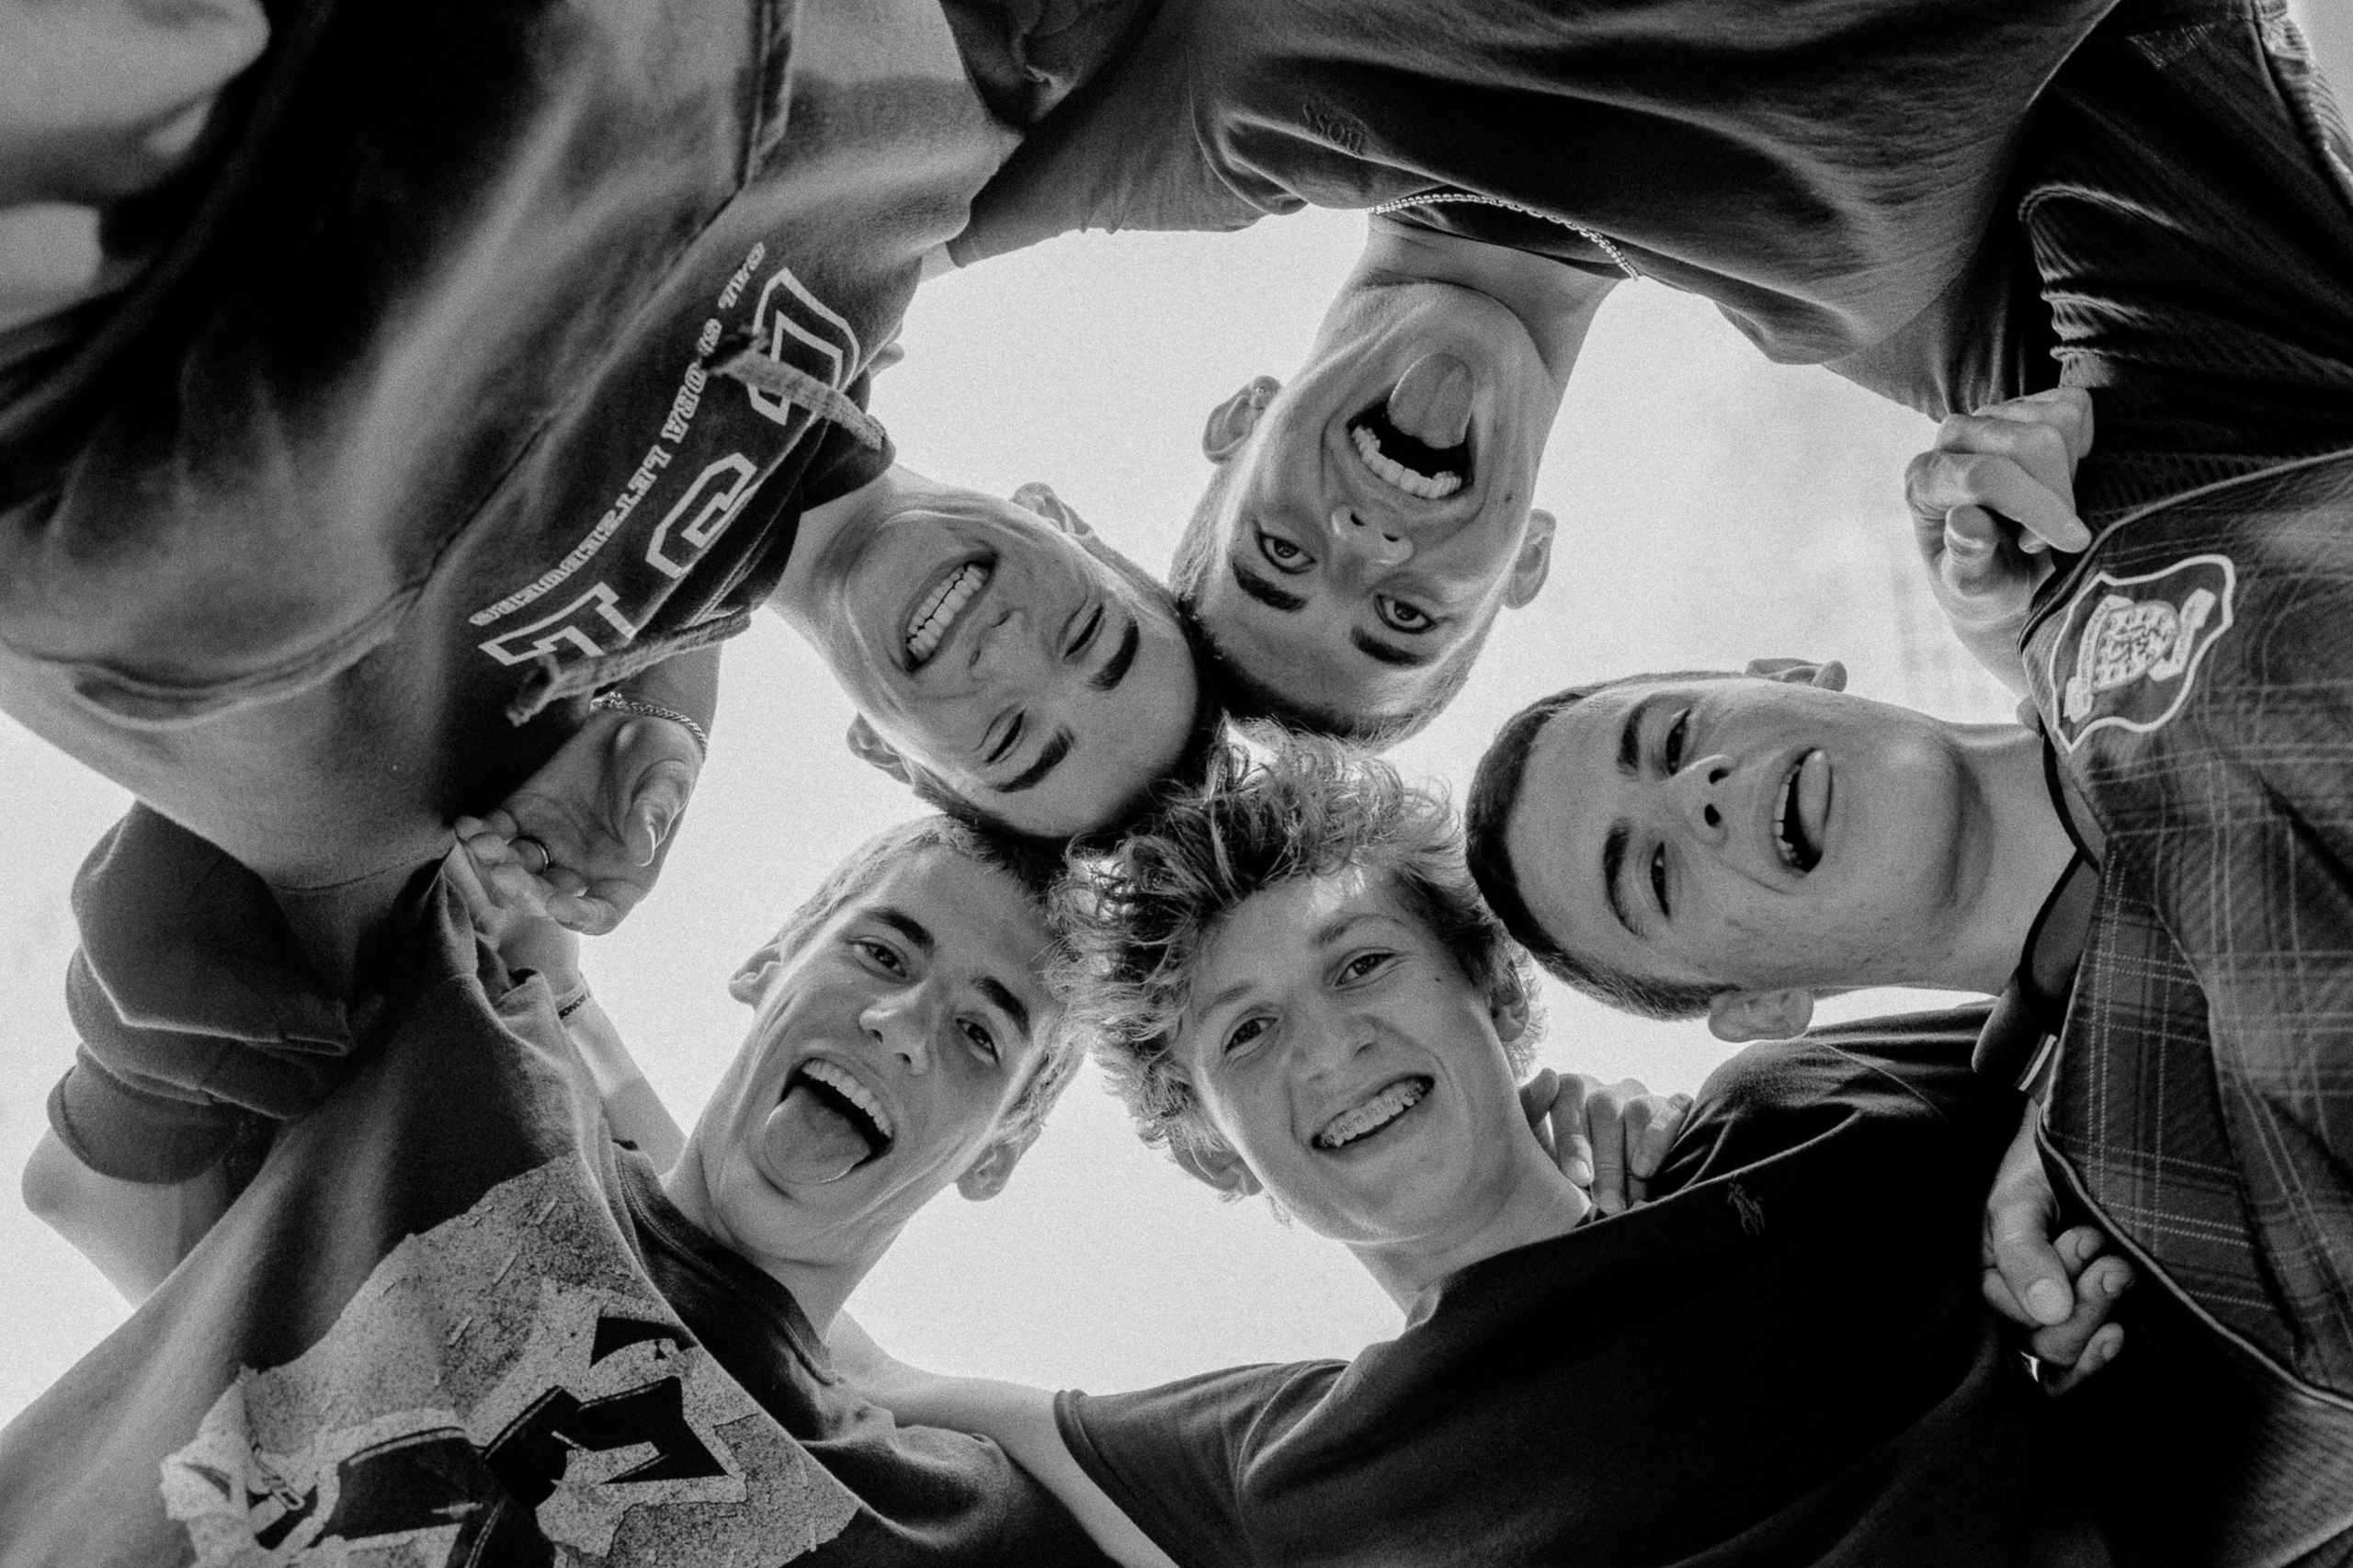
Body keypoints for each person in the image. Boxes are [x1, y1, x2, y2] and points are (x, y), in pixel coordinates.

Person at [1, 0, 1214, 977]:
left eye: (1010, 739)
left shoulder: (472, 754)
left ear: (897, 764)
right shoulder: (928, 167)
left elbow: (96, 641)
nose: (1012, 650)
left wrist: (502, 761)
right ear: (1072, 522)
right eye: (1092, 635)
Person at [834, 738, 2128, 1568]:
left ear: (1495, 1003)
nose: (1327, 1047)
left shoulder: (1795, 1125)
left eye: (1364, 965)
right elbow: (842, 1365)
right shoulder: (1277, 1466)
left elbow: (2144, 952)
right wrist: (616, 1043)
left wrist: (2036, 1153)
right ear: (1219, 1156)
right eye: (1248, 1034)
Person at [1465, 381, 2353, 1557]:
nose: (1700, 793)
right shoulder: (2115, 1238)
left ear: (1786, 670)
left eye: (1675, 738)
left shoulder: (2109, 515)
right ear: (1761, 1006)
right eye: (1656, 876)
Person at [945, 0, 2349, 744]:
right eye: (1404, 617)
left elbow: (786, 204)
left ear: (1241, 420)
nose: (1364, 541)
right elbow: (2259, 545)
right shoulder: (1898, 316)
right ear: (1529, 559)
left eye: (1280, 552)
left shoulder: (1210, 106)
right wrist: (2029, 640)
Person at [7, 810, 1144, 1563]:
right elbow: (92, 1189)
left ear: (997, 1148)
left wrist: (930, 1389)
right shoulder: (468, 1041)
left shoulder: (944, 1515)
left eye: (982, 1034)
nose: (900, 1027)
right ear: (769, 958)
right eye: (883, 952)